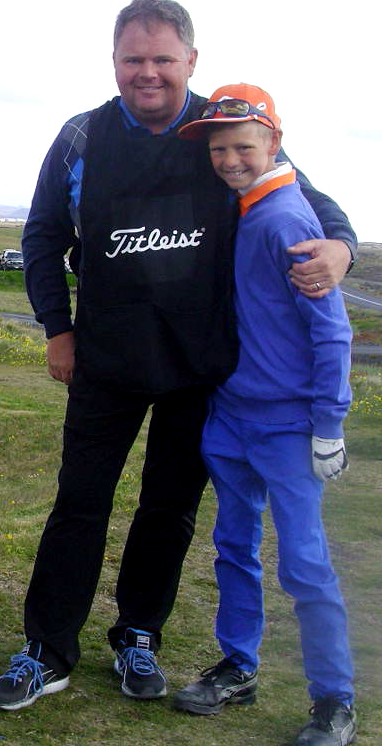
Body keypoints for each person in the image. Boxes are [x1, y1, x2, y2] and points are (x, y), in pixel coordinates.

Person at [0, 0, 358, 713]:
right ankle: (47, 650)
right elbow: (42, 237)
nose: (147, 73)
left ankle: (138, 636)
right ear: (113, 62)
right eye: (133, 60)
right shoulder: (82, 136)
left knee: (169, 509)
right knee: (79, 503)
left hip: (199, 365)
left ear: (191, 60)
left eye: (162, 59)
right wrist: (57, 329)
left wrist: (340, 248)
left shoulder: (226, 127)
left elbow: (311, 201)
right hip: (106, 357)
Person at [170, 83, 356, 746]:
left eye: (243, 147)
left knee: (304, 563)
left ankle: (334, 699)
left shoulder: (284, 218)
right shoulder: (241, 208)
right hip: (231, 415)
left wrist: (329, 424)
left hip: (287, 425)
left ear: (275, 142)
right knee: (233, 546)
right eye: (219, 149)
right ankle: (239, 667)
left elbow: (332, 332)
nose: (229, 160)